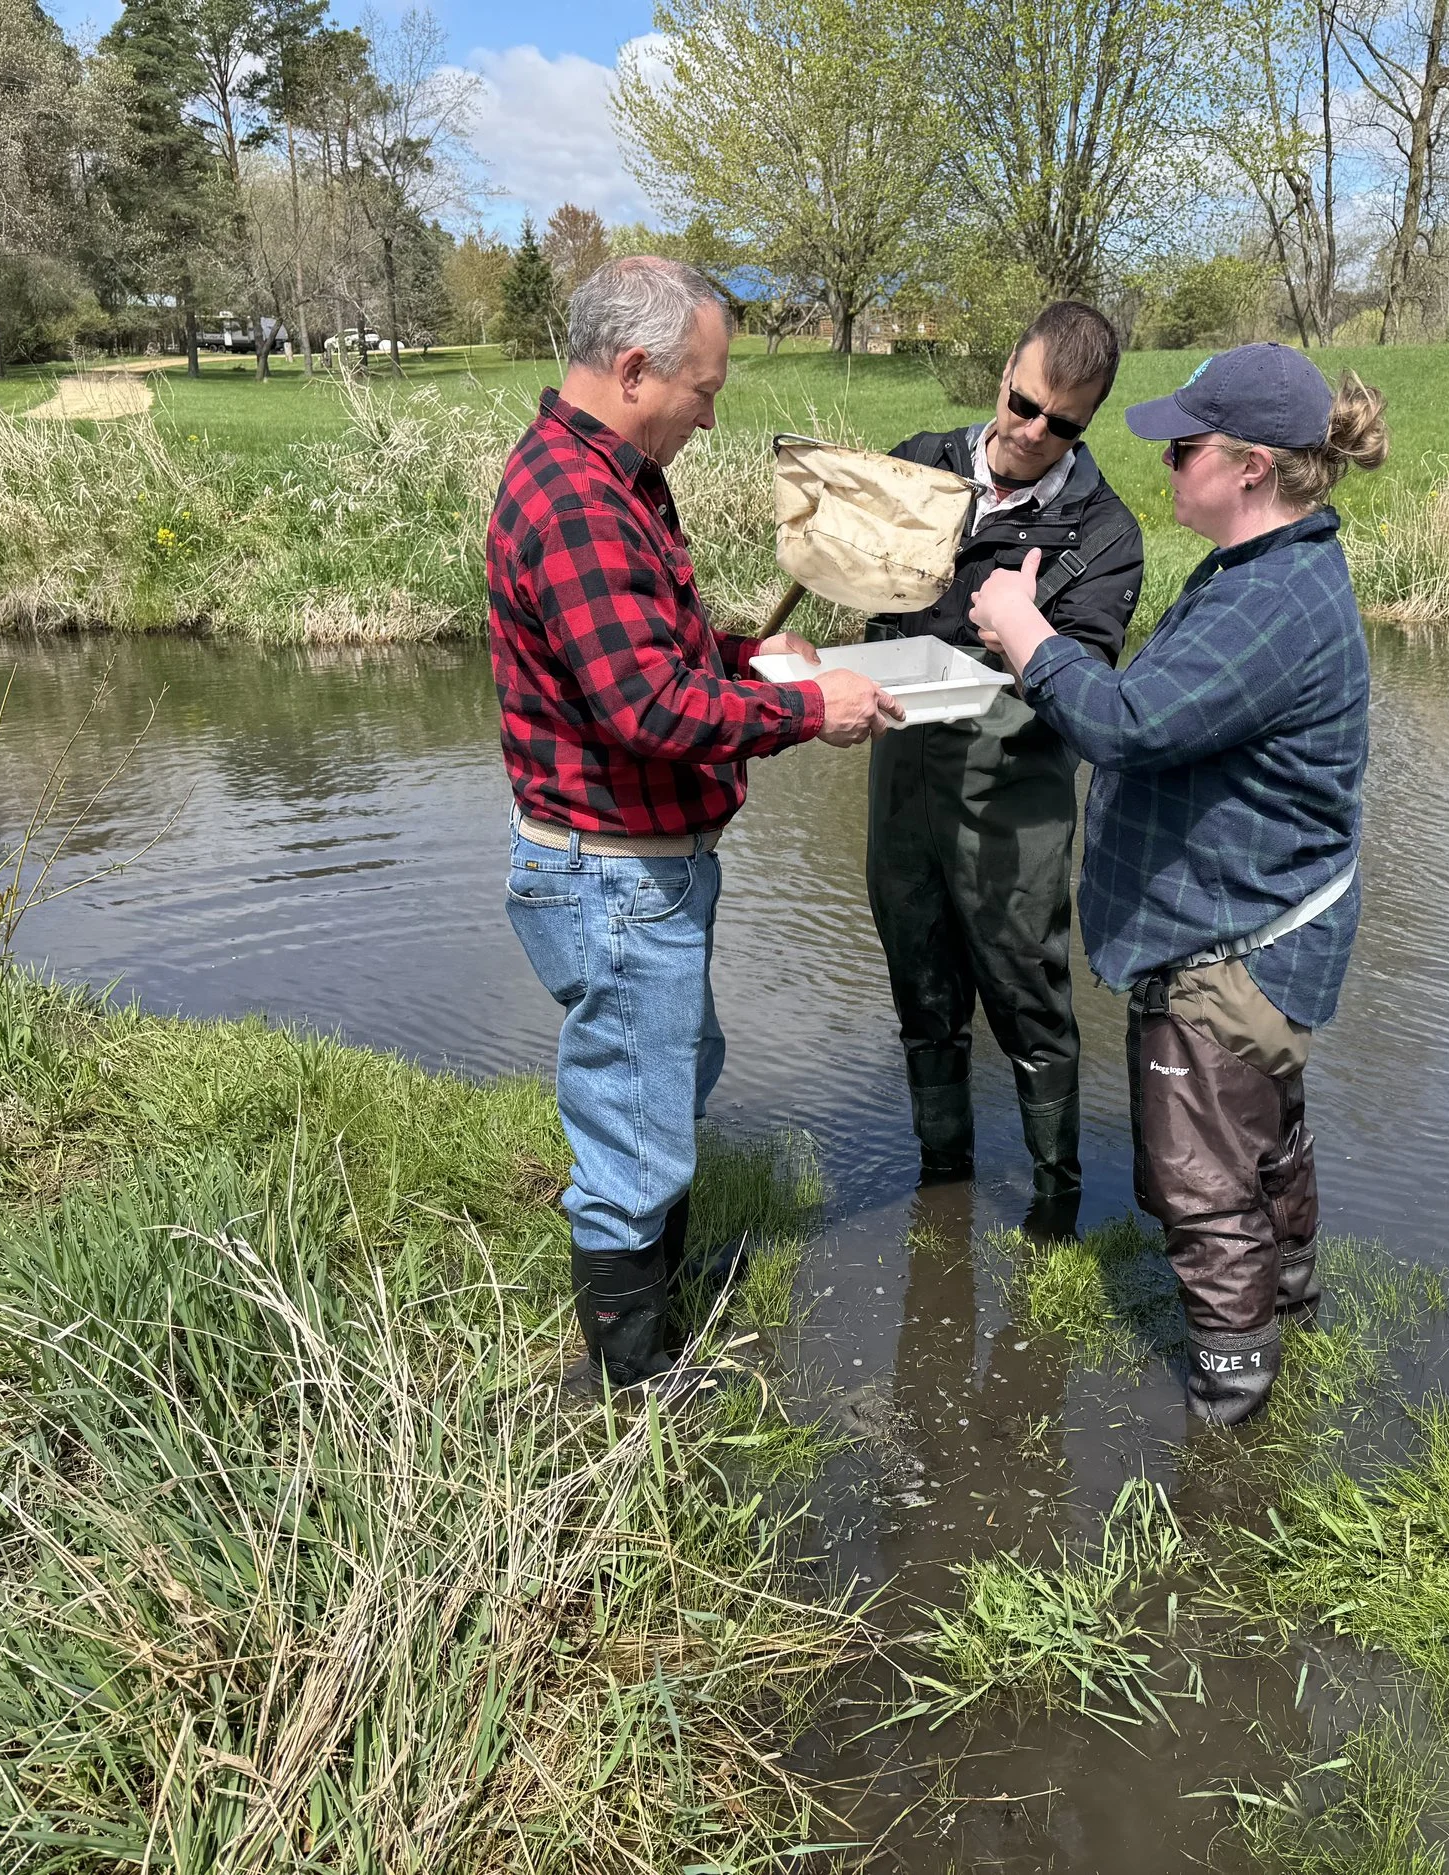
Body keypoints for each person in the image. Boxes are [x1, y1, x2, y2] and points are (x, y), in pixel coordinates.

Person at [488, 256, 902, 1386]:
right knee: (634, 1122)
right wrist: (808, 707)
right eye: (704, 392)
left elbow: (648, 658)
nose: (709, 417)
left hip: (631, 868)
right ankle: (633, 1384)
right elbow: (646, 708)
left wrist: (747, 658)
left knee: (668, 1077)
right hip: (613, 875)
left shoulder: (605, 476)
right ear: (634, 369)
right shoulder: (578, 502)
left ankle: (656, 1299)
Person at [970, 343, 1385, 1425]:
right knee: (1264, 1138)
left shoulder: (1273, 601)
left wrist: (1027, 634)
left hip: (1227, 950)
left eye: (1184, 447)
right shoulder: (1263, 570)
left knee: (1199, 1180)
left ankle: (1230, 1405)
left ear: (1250, 466)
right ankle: (1287, 1303)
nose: (1162, 462)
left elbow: (1125, 723)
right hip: (1260, 930)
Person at [861, 302, 1146, 1237]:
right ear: (1003, 378)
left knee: (1028, 993)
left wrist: (1019, 636)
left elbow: (1082, 682)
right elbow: (871, 607)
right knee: (921, 984)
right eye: (1025, 404)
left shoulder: (1106, 535)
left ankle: (1055, 1200)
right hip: (901, 770)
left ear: (1088, 422)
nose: (1034, 432)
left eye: (1063, 423)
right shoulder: (919, 467)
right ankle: (940, 1190)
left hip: (1015, 789)